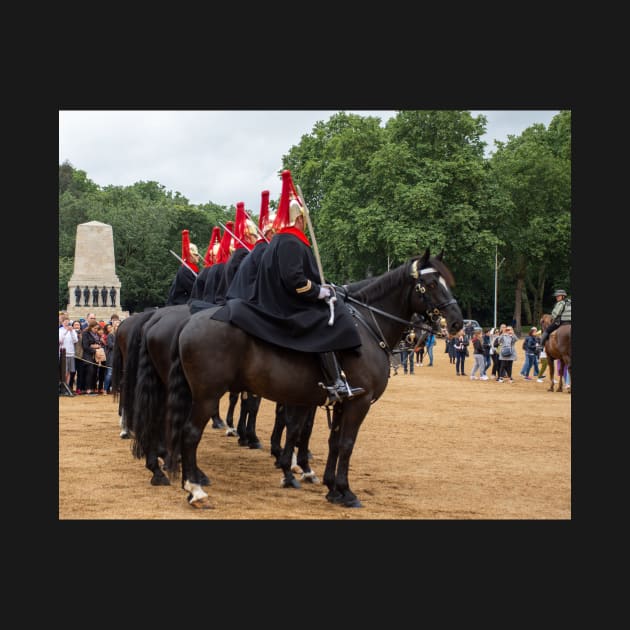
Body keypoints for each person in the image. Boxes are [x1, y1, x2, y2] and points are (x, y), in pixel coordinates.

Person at [212, 169, 365, 404]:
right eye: (304, 219)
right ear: (299, 218)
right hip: (288, 304)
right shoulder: (291, 243)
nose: (305, 223)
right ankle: (335, 381)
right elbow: (296, 282)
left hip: (279, 299)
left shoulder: (281, 241)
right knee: (331, 320)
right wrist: (318, 292)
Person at [166, 229, 201, 305]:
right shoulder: (185, 270)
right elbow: (192, 288)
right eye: (196, 255)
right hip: (180, 301)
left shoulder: (193, 268)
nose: (198, 257)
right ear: (190, 256)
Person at [58, 317, 78, 388]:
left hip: (71, 353)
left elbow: (75, 340)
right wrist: (66, 331)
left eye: (67, 322)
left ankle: (67, 387)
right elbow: (60, 340)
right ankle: (63, 387)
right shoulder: (60, 330)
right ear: (62, 322)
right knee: (64, 372)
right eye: (65, 322)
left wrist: (71, 331)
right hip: (63, 354)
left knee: (70, 371)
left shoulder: (73, 331)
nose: (66, 323)